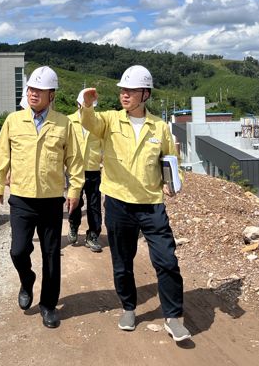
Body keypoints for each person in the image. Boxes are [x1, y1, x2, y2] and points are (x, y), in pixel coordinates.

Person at [79, 65, 190, 342]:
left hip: (152, 203)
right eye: (122, 90)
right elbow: (89, 123)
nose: (124, 95)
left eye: (130, 90)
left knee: (166, 260)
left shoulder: (160, 127)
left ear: (145, 93)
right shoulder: (109, 121)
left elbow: (170, 160)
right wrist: (87, 105)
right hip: (118, 203)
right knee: (122, 261)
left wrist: (174, 182)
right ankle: (128, 307)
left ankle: (173, 317)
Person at [0, 66, 83, 329]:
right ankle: (27, 279)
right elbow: (1, 156)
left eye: (39, 90)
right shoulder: (13, 120)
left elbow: (74, 161)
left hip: (51, 200)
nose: (33, 94)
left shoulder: (64, 124)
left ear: (51, 95)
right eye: (31, 89)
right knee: (18, 250)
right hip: (21, 198)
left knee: (52, 254)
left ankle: (48, 305)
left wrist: (74, 189)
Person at [67, 89, 104, 252]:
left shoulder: (99, 122)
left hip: (93, 169)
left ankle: (93, 235)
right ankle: (73, 226)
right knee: (76, 201)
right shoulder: (69, 121)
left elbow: (104, 145)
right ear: (78, 103)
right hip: (75, 170)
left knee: (94, 205)